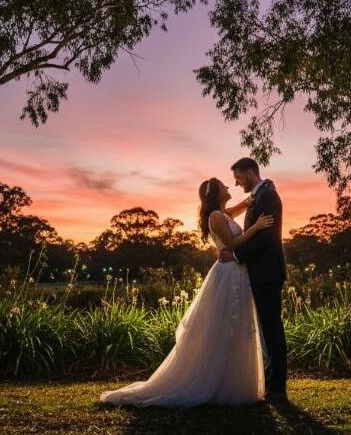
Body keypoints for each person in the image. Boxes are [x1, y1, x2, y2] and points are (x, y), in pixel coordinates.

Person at [100, 176, 274, 407]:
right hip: (229, 273)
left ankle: (230, 383)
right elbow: (233, 245)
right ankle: (214, 382)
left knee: (235, 325)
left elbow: (233, 211)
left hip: (236, 273)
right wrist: (257, 227)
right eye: (224, 186)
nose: (228, 186)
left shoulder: (221, 214)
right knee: (225, 324)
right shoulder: (215, 216)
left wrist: (250, 200)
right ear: (215, 194)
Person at [218, 157, 288, 402]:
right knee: (267, 330)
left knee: (272, 329)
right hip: (259, 272)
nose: (237, 184)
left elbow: (267, 238)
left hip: (267, 273)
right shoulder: (260, 195)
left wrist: (235, 255)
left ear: (249, 173)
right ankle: (271, 384)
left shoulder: (267, 195)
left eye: (238, 178)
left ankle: (278, 389)